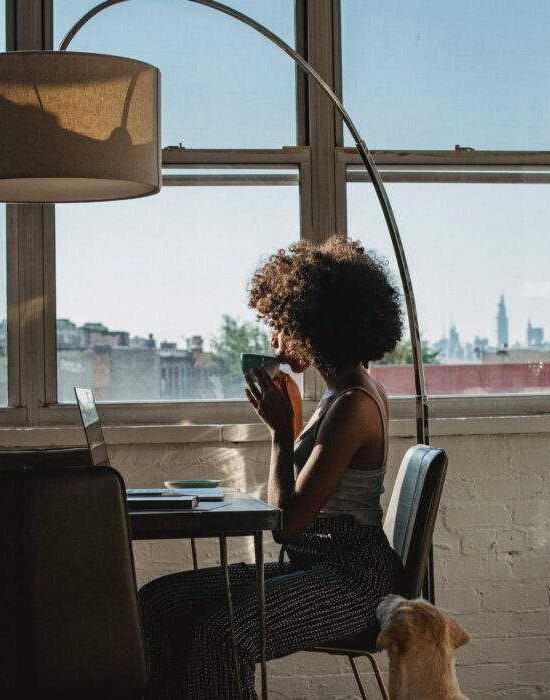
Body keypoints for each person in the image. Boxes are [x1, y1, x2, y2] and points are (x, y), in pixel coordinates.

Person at [139, 236, 404, 699]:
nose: (274, 340)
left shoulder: (354, 404)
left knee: (221, 637)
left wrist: (282, 434)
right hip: (316, 564)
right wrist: (294, 424)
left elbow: (288, 525)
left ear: (316, 326)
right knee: (159, 603)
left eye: (281, 325)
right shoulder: (340, 394)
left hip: (351, 578)